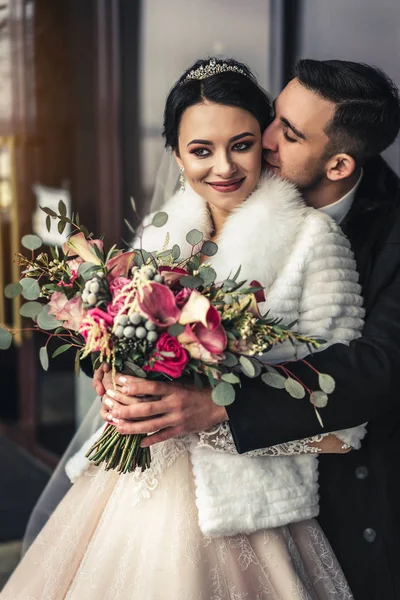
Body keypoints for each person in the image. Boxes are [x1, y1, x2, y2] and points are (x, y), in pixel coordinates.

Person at [2, 58, 365, 599]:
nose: (224, 167)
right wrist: (116, 375)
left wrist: (211, 417)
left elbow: (344, 429)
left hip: (244, 512)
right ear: (176, 155)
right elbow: (125, 342)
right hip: (127, 489)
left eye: (241, 144)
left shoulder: (313, 242)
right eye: (201, 150)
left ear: (264, 142)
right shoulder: (159, 236)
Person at [94, 59, 400, 600]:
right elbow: (133, 317)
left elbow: (374, 370)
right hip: (157, 486)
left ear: (338, 165)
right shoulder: (182, 220)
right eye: (274, 117)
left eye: (288, 132)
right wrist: (119, 367)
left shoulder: (349, 236)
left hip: (317, 488)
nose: (266, 137)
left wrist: (218, 409)